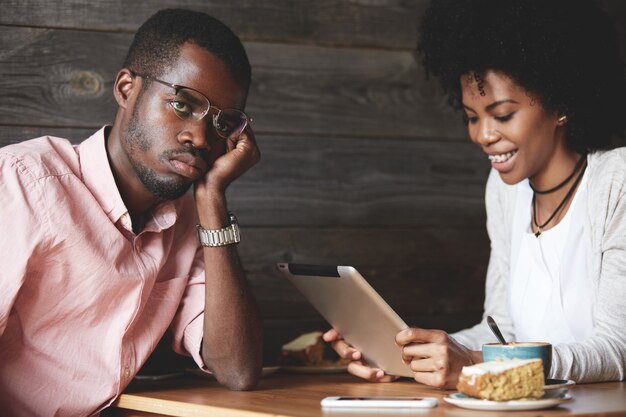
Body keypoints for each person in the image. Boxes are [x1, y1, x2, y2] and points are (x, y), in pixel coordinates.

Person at [325, 0, 626, 388]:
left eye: (502, 115)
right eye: (472, 117)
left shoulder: (615, 180)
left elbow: (617, 348)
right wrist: (409, 353)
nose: (483, 136)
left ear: (562, 105)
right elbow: (499, 331)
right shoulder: (505, 193)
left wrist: (475, 363)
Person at [0, 9, 263, 416]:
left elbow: (237, 368)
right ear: (126, 89)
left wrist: (212, 198)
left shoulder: (194, 220)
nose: (200, 136)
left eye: (222, 124)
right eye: (181, 104)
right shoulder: (23, 184)